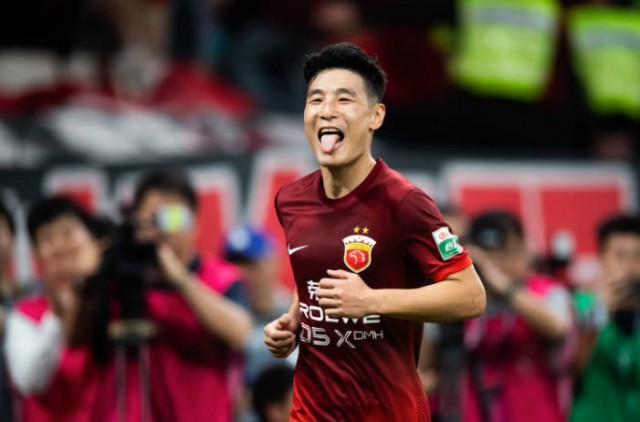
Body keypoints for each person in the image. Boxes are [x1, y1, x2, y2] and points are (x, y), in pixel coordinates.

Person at [263, 42, 486, 421]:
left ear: (375, 116)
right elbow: (314, 274)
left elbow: (471, 296)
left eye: (343, 99)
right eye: (315, 100)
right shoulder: (291, 199)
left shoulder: (405, 203)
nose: (326, 110)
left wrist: (372, 301)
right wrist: (294, 321)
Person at [92, 168, 252, 422]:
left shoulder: (221, 278)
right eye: (153, 217)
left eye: (173, 217)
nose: (163, 229)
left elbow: (241, 333)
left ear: (195, 223)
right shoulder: (117, 276)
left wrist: (180, 279)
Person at [464, 211, 575, 422]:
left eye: (506, 253)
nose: (497, 264)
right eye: (489, 256)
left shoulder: (548, 291)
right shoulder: (463, 301)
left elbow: (558, 327)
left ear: (525, 250)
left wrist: (503, 287)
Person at [4, 196, 106, 421]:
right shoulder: (24, 314)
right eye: (47, 239)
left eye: (67, 233)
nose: (60, 247)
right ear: (37, 255)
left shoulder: (113, 304)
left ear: (93, 241)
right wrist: (56, 319)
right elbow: (29, 380)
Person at [571, 214, 640, 422]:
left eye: (637, 255)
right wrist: (599, 312)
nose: (630, 265)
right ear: (601, 257)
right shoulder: (578, 304)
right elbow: (570, 368)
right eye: (620, 255)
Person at [222, 224, 295, 421]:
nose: (240, 273)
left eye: (250, 264)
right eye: (233, 263)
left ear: (272, 264)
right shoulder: (219, 321)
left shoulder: (295, 315)